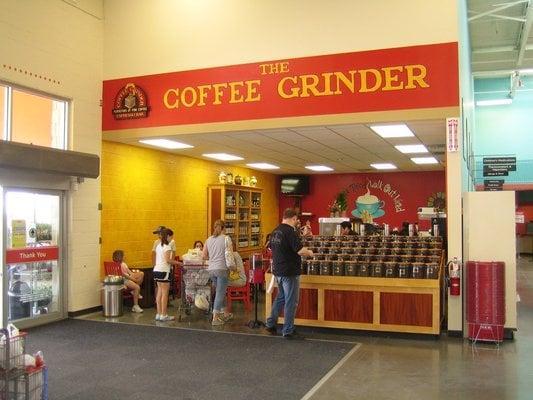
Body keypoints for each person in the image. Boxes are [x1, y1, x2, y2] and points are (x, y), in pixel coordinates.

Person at [265, 208, 313, 339]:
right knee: (291, 301)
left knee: (281, 298)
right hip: (290, 271)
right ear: (293, 218)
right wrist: (309, 252)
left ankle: (270, 324)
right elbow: (299, 250)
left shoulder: (275, 231)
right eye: (296, 220)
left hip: (278, 270)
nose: (297, 222)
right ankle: (288, 330)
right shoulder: (290, 231)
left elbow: (278, 247)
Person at [202, 219, 236, 326]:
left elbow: (204, 256)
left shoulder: (208, 240)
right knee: (220, 293)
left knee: (220, 291)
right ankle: (215, 318)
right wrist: (233, 267)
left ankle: (225, 313)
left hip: (211, 270)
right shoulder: (226, 238)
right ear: (223, 228)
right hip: (222, 269)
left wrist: (213, 257)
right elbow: (230, 254)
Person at [153, 228, 180, 322]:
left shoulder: (158, 246)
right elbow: (168, 260)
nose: (172, 239)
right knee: (165, 293)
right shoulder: (167, 246)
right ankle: (164, 314)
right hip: (164, 271)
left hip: (156, 270)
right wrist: (178, 263)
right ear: (168, 236)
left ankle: (159, 313)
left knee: (159, 292)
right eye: (171, 237)